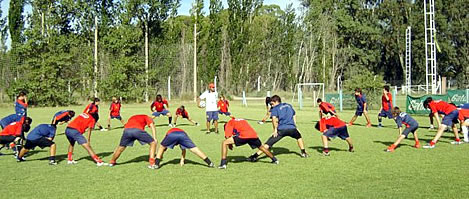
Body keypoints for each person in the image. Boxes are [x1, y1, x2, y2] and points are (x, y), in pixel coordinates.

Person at [248, 95, 308, 161]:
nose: (271, 105)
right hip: (292, 128)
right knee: (299, 137)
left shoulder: (275, 109)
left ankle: (254, 156)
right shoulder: (289, 105)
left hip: (281, 130)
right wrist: (295, 125)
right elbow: (294, 115)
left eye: (272, 103)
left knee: (268, 143)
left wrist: (275, 130)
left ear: (276, 101)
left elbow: (274, 119)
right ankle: (303, 152)